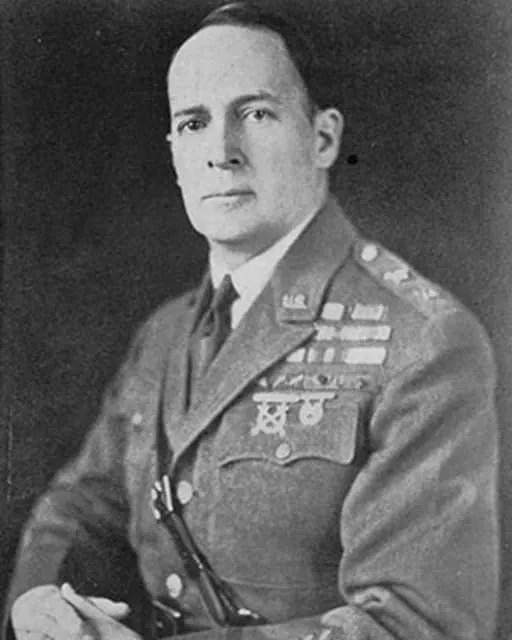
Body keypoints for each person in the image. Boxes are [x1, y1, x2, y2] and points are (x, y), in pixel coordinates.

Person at [5, 2, 499, 639]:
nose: (221, 152)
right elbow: (83, 504)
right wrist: (40, 602)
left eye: (256, 114)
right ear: (175, 154)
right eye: (193, 123)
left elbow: (415, 623)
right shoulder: (164, 335)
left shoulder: (422, 340)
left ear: (323, 139)